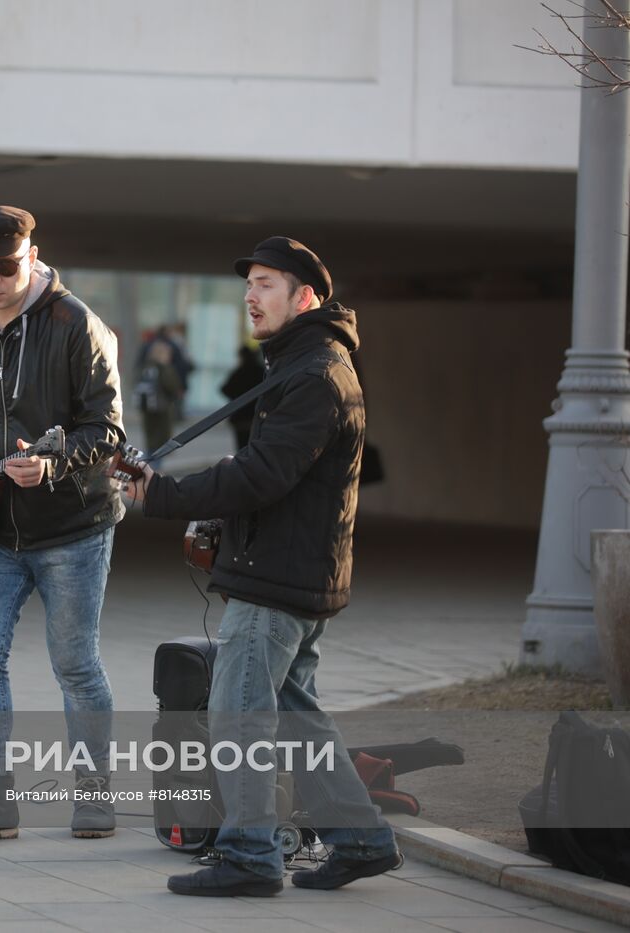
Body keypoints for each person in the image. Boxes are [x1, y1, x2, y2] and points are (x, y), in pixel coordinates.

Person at [129, 237, 401, 897]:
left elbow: (262, 473)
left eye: (267, 284)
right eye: (249, 283)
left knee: (237, 713)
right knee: (295, 713)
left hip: (278, 581)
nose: (251, 296)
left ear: (305, 296)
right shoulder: (304, 363)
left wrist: (164, 494)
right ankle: (361, 838)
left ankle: (250, 853)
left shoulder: (314, 375)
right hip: (292, 571)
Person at [0, 206, 126, 843]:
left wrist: (54, 460)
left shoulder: (76, 324)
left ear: (32, 255)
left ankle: (93, 794)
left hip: (74, 525)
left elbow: (107, 429)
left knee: (75, 662)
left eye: (5, 265)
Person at [134, 334, 183, 451]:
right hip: (162, 407)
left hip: (147, 405)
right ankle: (151, 466)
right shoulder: (165, 368)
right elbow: (171, 386)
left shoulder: (146, 366)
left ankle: (147, 461)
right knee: (161, 442)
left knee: (150, 437)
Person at [220, 343, 266, 449]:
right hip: (256, 414)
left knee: (241, 447)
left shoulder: (239, 372)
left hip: (241, 415)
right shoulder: (261, 371)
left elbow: (225, 389)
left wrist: (236, 398)